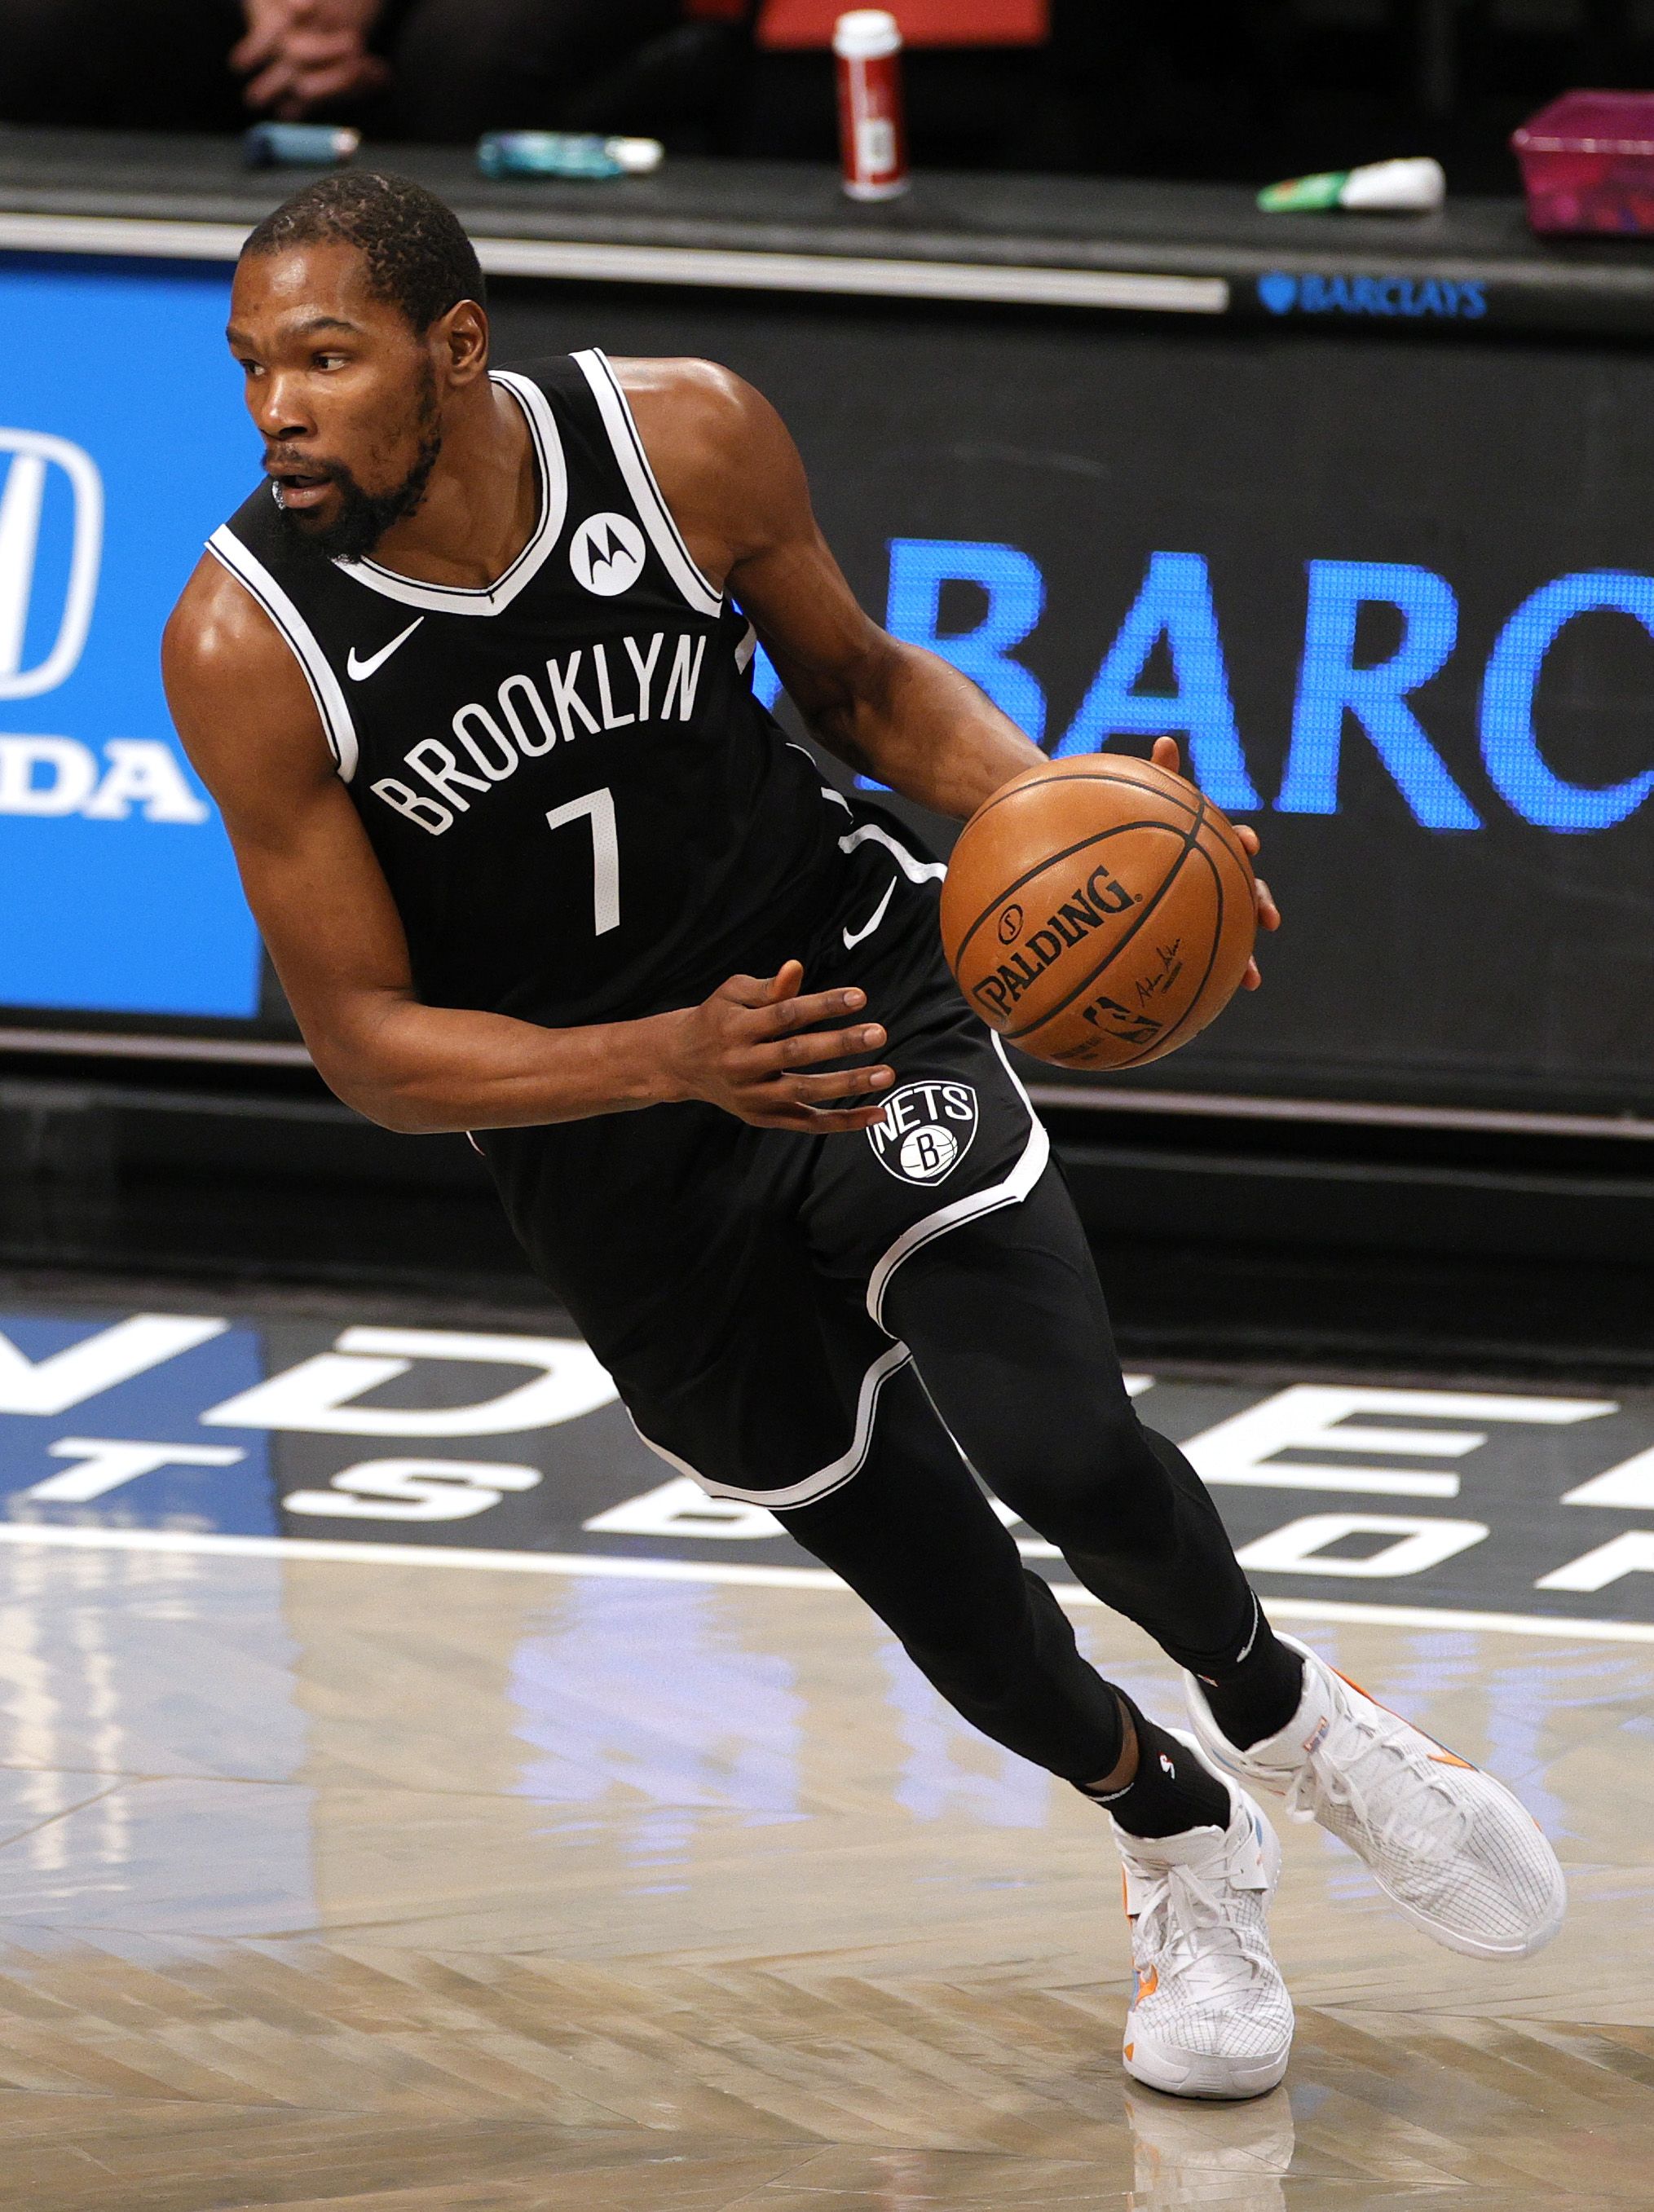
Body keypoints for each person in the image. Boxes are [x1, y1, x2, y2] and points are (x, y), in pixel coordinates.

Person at [161, 172, 1566, 2104]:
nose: (277, 412)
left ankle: (1292, 1722)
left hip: (836, 988)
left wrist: (1075, 804)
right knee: (955, 1610)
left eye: (323, 359)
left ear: (453, 347)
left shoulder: (683, 441)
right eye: (253, 369)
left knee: (1062, 1437)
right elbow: (371, 1048)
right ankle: (1174, 1831)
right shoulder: (247, 646)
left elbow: (866, 689)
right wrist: (665, 1056)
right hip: (618, 1134)